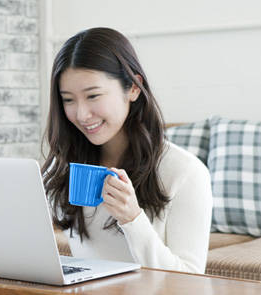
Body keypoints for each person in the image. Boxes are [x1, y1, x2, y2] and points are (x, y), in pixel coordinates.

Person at [41, 27, 213, 274]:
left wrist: (132, 219)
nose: (81, 114)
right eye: (68, 99)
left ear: (133, 87)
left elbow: (190, 283)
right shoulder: (65, 166)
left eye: (93, 96)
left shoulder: (185, 172)